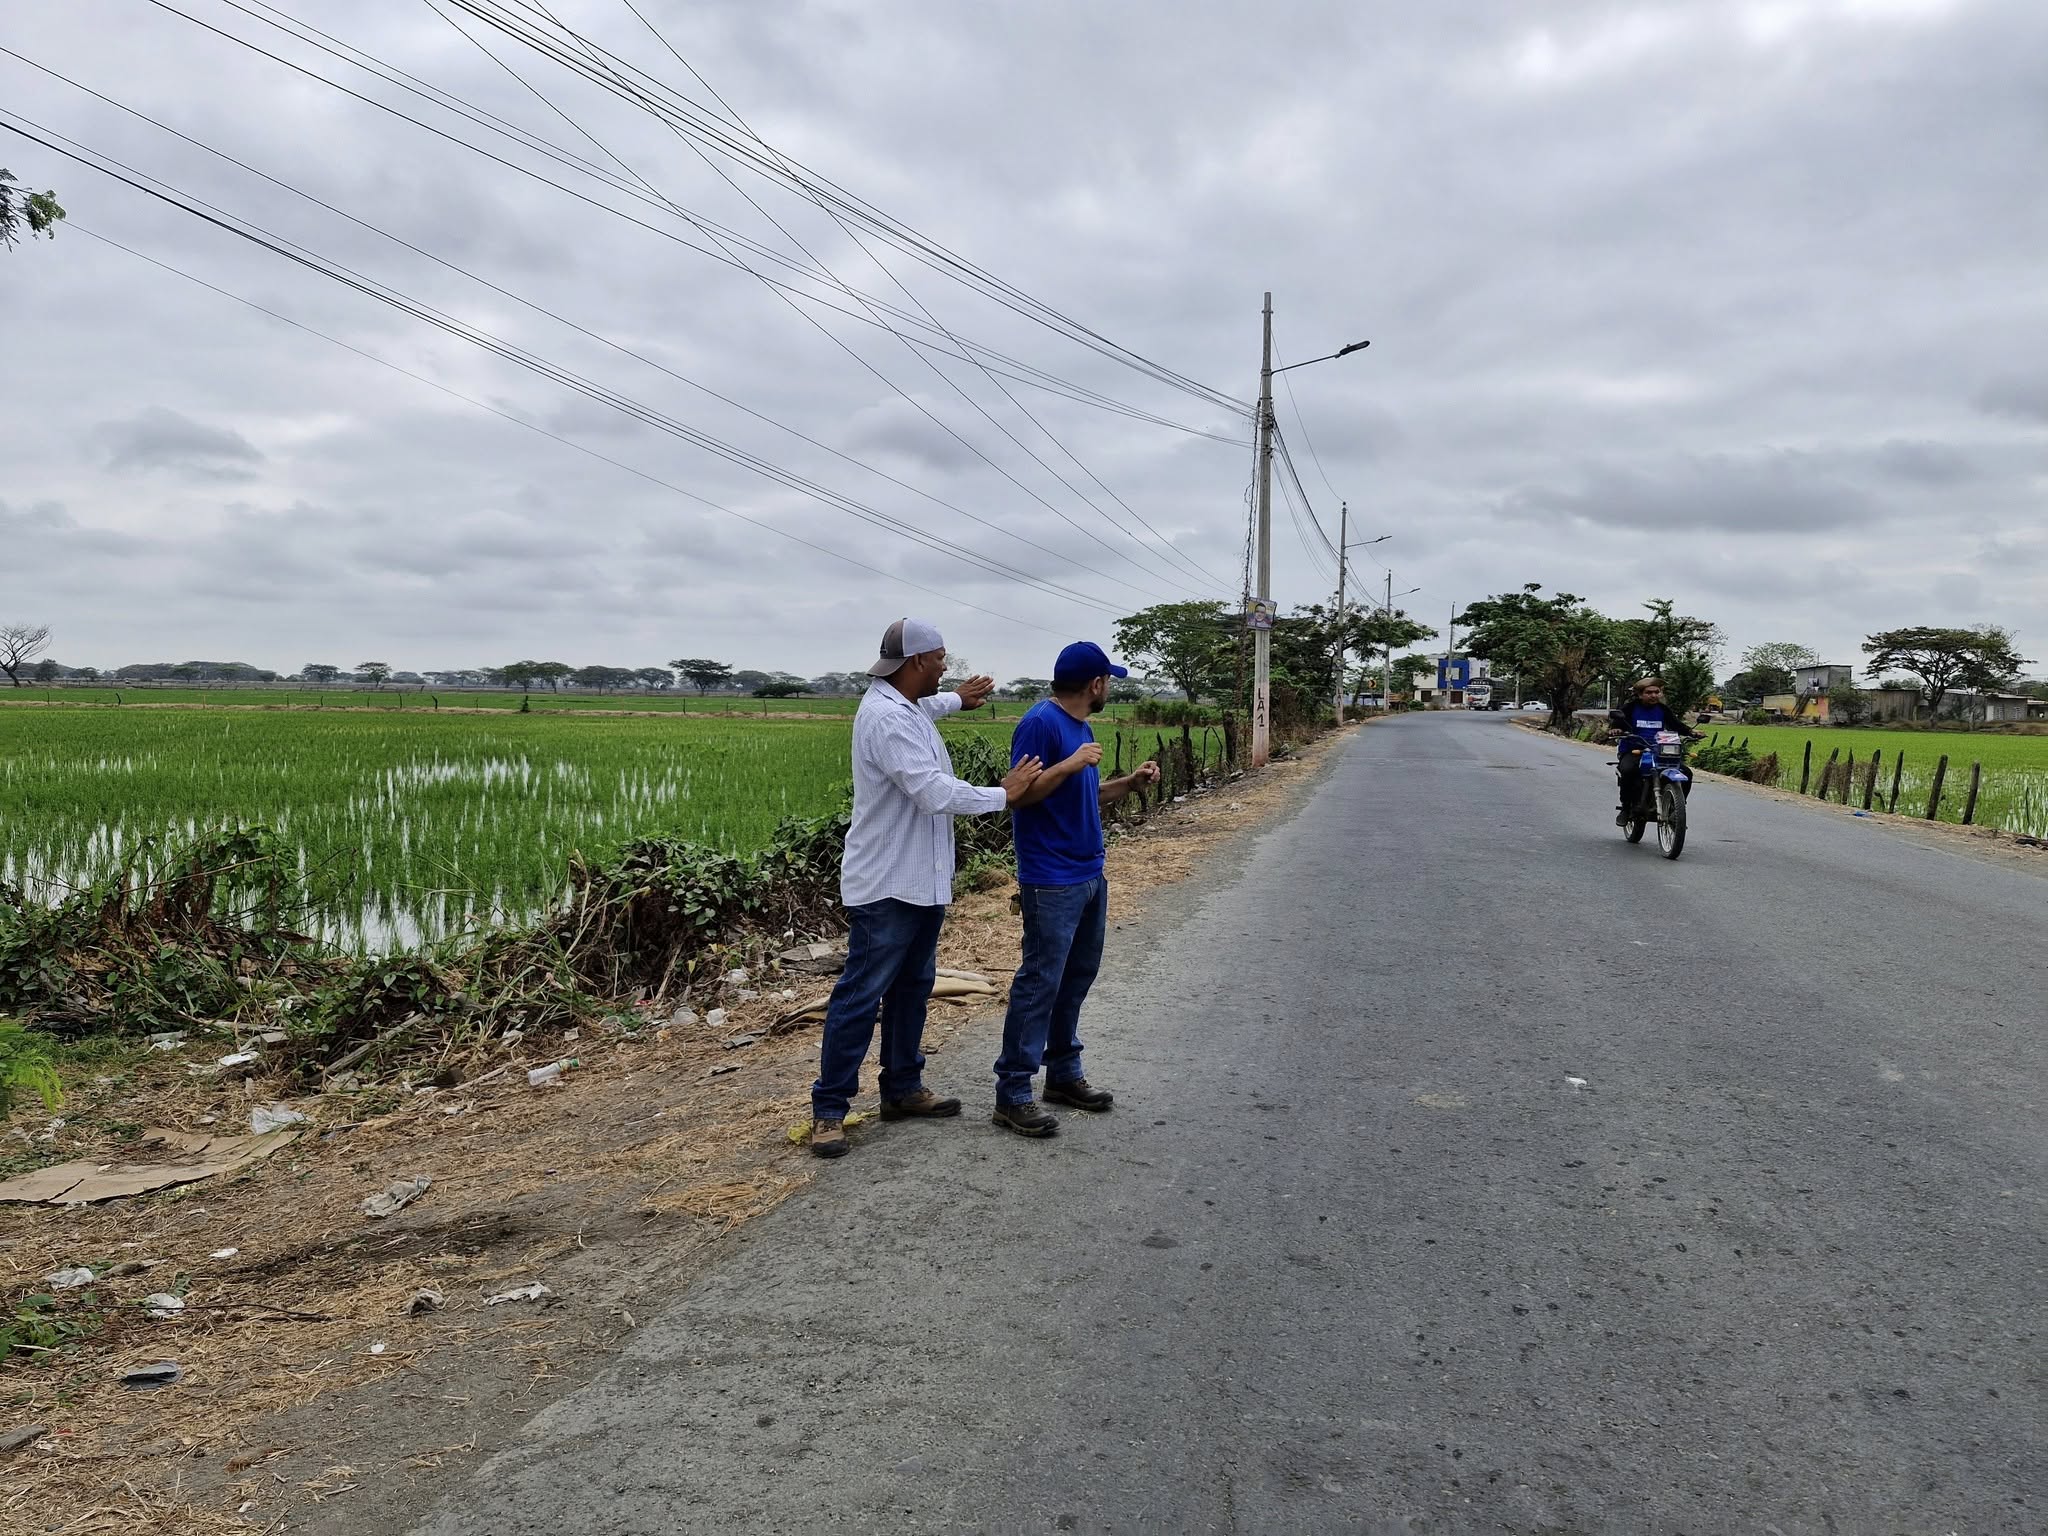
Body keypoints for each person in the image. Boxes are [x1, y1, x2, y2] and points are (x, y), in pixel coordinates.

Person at [809, 618, 1044, 1159]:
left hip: (921, 879)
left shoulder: (905, 703)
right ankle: (829, 1109)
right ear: (917, 662)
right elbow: (933, 792)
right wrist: (1004, 793)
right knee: (860, 996)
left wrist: (958, 699)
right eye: (940, 659)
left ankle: (902, 1088)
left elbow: (928, 707)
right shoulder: (888, 719)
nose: (944, 666)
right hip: (887, 884)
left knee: (913, 988)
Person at [990, 642, 1161, 1138]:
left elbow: (1082, 794)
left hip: (1088, 872)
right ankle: (1013, 1093)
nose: (1109, 690)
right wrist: (1069, 764)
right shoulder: (1040, 723)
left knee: (1076, 976)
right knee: (1040, 981)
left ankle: (1063, 1074)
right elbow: (1018, 796)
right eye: (1109, 682)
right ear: (1095, 684)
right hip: (1051, 878)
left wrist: (1129, 783)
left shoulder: (1080, 727)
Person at [1608, 675, 1698, 824]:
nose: (1654, 695)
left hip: (1658, 750)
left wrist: (1691, 732)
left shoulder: (1663, 709)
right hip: (1634, 750)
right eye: (1649, 692)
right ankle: (1626, 808)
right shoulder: (1630, 708)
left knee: (1686, 772)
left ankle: (1676, 809)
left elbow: (1676, 725)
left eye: (1657, 692)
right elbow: (1618, 723)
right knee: (1628, 770)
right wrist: (1616, 729)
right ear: (1640, 694)